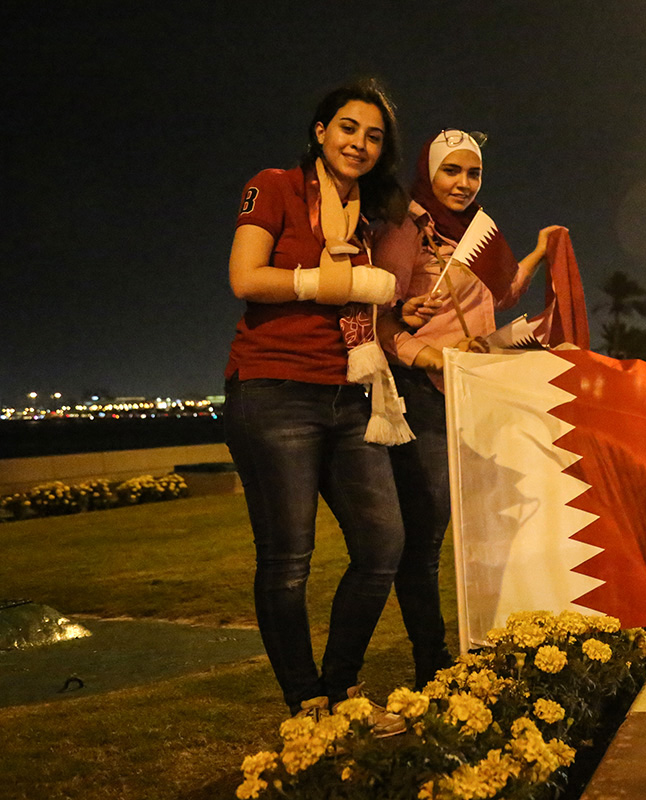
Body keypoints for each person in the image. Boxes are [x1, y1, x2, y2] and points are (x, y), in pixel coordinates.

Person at [224, 79, 421, 728]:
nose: (359, 143)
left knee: (383, 544)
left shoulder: (372, 215)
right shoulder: (274, 186)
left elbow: (377, 290)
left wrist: (389, 296)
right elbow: (245, 278)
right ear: (319, 130)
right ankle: (305, 701)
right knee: (287, 559)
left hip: (349, 393)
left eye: (373, 135)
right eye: (347, 128)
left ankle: (341, 688)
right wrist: (325, 281)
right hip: (274, 390)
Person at [374, 130, 559, 686]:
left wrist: (539, 251)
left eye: (472, 173)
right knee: (426, 536)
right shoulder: (407, 229)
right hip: (423, 396)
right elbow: (379, 322)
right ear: (429, 172)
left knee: (482, 526)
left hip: (475, 393)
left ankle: (480, 641)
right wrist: (429, 355)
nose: (462, 183)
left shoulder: (480, 233)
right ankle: (432, 661)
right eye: (451, 171)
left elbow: (500, 297)